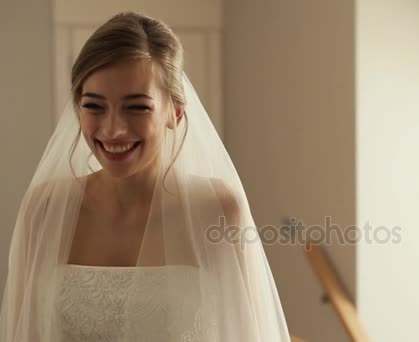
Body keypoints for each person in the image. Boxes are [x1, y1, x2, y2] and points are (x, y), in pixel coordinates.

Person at [0, 11, 291, 341]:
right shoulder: (44, 208)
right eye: (94, 106)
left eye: (136, 107)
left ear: (174, 113)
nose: (113, 129)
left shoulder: (219, 210)